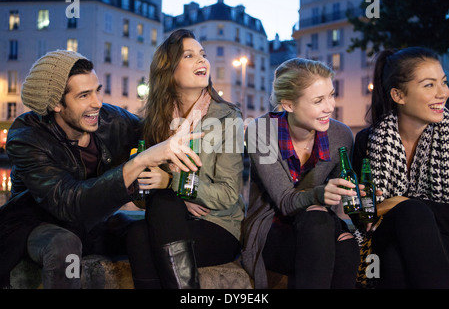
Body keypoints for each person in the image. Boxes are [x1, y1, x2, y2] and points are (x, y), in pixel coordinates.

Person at [0, 50, 201, 289]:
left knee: (144, 233)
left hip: (93, 225)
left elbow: (158, 136)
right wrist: (137, 163)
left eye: (98, 90)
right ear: (56, 103)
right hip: (37, 226)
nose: (97, 103)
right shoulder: (27, 136)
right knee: (64, 245)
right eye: (84, 95)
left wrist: (171, 180)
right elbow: (69, 203)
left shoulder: (111, 119)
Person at [136, 29, 245, 289]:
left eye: (203, 55)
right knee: (137, 235)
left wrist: (172, 182)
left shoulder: (228, 117)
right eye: (189, 55)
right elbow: (142, 193)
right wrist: (181, 198)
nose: (202, 61)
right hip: (173, 218)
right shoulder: (155, 120)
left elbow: (229, 194)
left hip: (218, 224)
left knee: (148, 230)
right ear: (169, 70)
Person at [242, 58, 360, 289]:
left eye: (331, 95)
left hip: (319, 224)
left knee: (345, 244)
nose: (330, 106)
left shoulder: (341, 134)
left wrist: (354, 194)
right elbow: (286, 201)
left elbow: (336, 199)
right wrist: (320, 195)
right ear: (288, 105)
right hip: (271, 230)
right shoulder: (261, 131)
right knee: (323, 225)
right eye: (318, 100)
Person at [352, 46, 449, 288]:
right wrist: (406, 207)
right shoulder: (369, 140)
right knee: (410, 216)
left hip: (439, 238)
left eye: (443, 82)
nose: (443, 93)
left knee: (396, 259)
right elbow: (361, 215)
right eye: (429, 85)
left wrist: (400, 202)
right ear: (399, 95)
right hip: (380, 236)